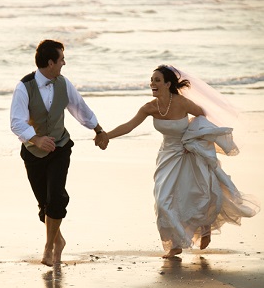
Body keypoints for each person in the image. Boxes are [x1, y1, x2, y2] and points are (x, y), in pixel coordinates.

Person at [107, 65, 260, 258]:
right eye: (152, 80)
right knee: (163, 200)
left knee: (196, 194)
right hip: (167, 155)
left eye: (157, 80)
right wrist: (106, 135)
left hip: (189, 152)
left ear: (168, 84)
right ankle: (175, 243)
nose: (152, 83)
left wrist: (193, 137)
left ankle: (205, 228)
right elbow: (129, 126)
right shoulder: (149, 108)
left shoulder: (182, 102)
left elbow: (201, 115)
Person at [10, 39, 109, 267]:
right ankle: (59, 240)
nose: (65, 63)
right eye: (61, 59)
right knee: (44, 205)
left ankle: (48, 247)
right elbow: (16, 123)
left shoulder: (64, 83)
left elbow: (79, 107)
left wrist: (98, 130)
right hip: (33, 153)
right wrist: (36, 139)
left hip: (61, 147)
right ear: (51, 62)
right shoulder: (23, 87)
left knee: (56, 197)